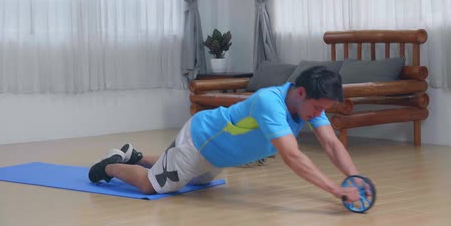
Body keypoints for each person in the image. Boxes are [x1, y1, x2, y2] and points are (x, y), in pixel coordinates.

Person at [88, 66, 364, 203]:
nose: (318, 115)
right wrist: (336, 190)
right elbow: (292, 156)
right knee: (153, 185)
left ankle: (134, 155)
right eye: (317, 108)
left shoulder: (310, 106)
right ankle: (111, 165)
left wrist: (355, 178)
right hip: (200, 140)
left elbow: (331, 144)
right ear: (301, 92)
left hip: (217, 158)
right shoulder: (271, 102)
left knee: (191, 179)